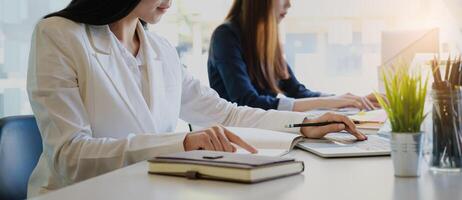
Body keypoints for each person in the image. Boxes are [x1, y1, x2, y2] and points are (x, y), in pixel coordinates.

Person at [27, 0, 366, 197]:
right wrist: (184, 142)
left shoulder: (160, 49)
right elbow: (70, 156)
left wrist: (305, 124)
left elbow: (225, 114)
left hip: (147, 191)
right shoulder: (59, 35)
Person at [208, 0, 381, 112]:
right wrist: (331, 102)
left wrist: (349, 101)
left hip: (264, 133)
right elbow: (247, 102)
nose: (289, 4)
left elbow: (298, 92)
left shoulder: (268, 42)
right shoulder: (225, 35)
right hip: (236, 138)